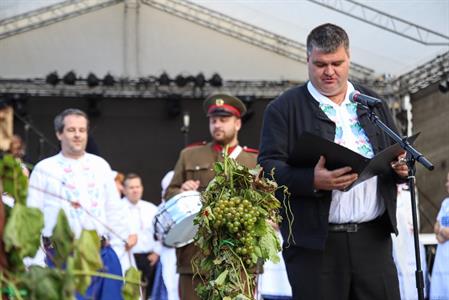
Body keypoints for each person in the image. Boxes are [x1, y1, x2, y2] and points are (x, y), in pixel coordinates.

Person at [258, 23, 408, 300]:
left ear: (349, 58)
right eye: (320, 64)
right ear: (307, 61)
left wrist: (401, 168)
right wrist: (311, 180)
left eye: (337, 63)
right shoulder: (284, 108)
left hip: (373, 239)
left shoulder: (372, 103)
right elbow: (267, 168)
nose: (329, 71)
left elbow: (398, 151)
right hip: (315, 247)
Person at [26, 108, 137, 300]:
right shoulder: (44, 169)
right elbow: (32, 218)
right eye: (71, 130)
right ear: (59, 133)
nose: (77, 135)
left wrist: (120, 254)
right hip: (61, 258)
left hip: (102, 254)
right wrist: (35, 263)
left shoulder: (100, 165)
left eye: (82, 130)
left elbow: (114, 211)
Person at [165, 94, 258, 300]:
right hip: (196, 257)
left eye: (224, 120)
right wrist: (182, 192)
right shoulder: (189, 155)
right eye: (213, 120)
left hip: (239, 257)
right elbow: (168, 194)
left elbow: (267, 204)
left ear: (238, 123)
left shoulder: (253, 160)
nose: (217, 125)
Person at [122, 173, 161, 300]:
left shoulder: (151, 208)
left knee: (149, 295)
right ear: (124, 189)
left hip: (149, 258)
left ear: (142, 188)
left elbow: (161, 232)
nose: (135, 190)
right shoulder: (117, 209)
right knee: (131, 294)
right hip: (128, 258)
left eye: (137, 187)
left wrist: (157, 252)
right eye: (131, 187)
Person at [430, 172, 449, 300]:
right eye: (447, 181)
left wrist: (442, 232)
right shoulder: (445, 203)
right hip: (442, 255)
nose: (446, 184)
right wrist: (443, 232)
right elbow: (436, 227)